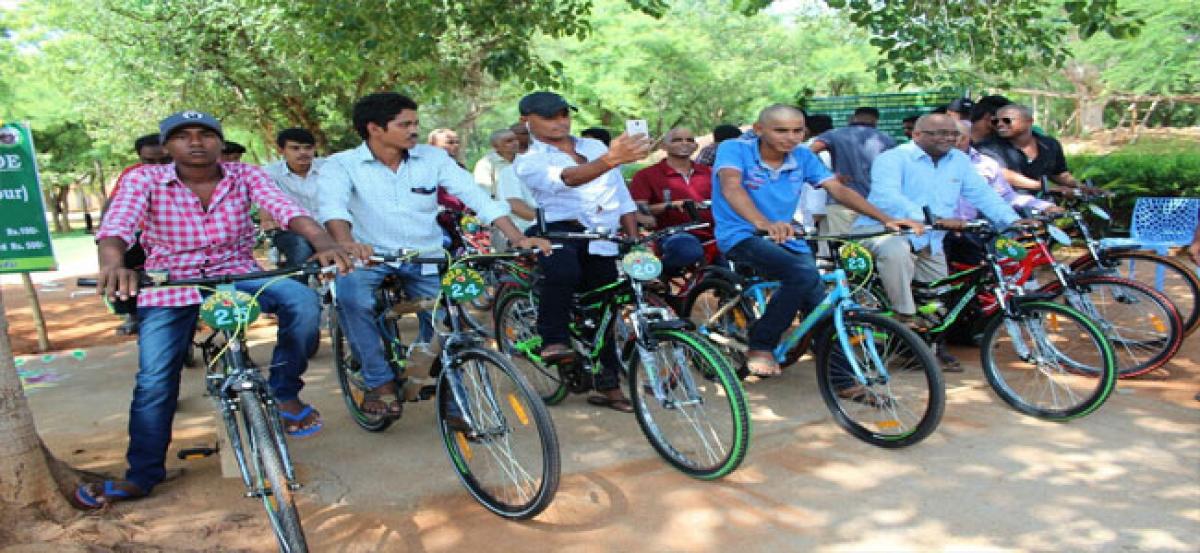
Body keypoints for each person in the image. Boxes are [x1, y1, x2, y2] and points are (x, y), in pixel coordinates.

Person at [78, 110, 353, 509]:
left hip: (237, 272)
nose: (195, 142)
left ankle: (284, 392)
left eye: (205, 134)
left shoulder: (246, 175)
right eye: (183, 136)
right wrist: (112, 264)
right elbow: (117, 228)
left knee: (303, 302)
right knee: (155, 379)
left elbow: (287, 210)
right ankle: (142, 474)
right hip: (171, 282)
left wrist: (323, 242)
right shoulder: (145, 179)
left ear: (220, 143)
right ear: (168, 145)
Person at [319, 92, 547, 419]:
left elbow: (476, 197)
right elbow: (333, 207)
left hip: (425, 254)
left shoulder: (433, 159)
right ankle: (378, 382)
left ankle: (454, 398)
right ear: (375, 128)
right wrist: (345, 244)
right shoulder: (341, 165)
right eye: (405, 124)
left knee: (448, 320)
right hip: (367, 257)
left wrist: (518, 237)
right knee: (354, 300)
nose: (414, 130)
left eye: (416, 123)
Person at [712, 104, 919, 377]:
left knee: (820, 305)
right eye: (781, 130)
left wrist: (885, 219)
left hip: (786, 235)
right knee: (801, 273)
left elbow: (838, 190)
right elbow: (731, 186)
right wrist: (762, 223)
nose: (791, 137)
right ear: (759, 129)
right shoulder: (734, 149)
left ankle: (843, 379)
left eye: (798, 130)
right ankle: (761, 344)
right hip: (741, 234)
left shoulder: (803, 156)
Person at [513, 91, 651, 412]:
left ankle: (608, 386)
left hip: (602, 234)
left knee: (606, 307)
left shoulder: (593, 147)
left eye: (564, 114)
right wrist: (614, 158)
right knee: (564, 273)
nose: (559, 122)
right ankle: (553, 338)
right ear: (526, 121)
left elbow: (621, 194)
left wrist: (633, 240)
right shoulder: (529, 160)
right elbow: (569, 179)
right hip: (560, 231)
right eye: (549, 117)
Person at [856, 114, 1029, 335]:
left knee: (938, 305)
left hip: (931, 240)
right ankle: (903, 317)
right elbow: (887, 196)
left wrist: (1013, 221)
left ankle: (925, 348)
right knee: (895, 251)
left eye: (953, 134)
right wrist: (932, 219)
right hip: (884, 231)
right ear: (916, 135)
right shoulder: (893, 158)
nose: (948, 138)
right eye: (939, 133)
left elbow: (984, 194)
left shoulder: (958, 160)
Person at [945, 120, 1060, 266]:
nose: (952, 140)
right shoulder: (927, 162)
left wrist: (1044, 206)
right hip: (938, 231)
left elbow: (1005, 196)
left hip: (972, 232)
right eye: (946, 136)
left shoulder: (985, 164)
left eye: (957, 136)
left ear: (968, 137)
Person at [104, 134, 174, 335]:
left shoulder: (189, 172)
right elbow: (113, 205)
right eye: (149, 161)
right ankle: (131, 315)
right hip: (139, 233)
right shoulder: (132, 175)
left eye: (165, 160)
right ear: (140, 158)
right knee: (123, 268)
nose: (158, 166)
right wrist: (106, 231)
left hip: (173, 237)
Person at [629, 127, 713, 276]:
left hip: (714, 234)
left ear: (696, 146)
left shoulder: (710, 173)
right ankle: (654, 275)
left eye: (689, 140)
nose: (684, 143)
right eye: (677, 140)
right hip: (672, 235)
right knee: (688, 249)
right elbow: (638, 210)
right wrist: (670, 205)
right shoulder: (646, 175)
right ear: (663, 146)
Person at [809, 107, 897, 234]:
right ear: (876, 120)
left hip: (841, 201)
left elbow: (809, 152)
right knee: (874, 244)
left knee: (845, 248)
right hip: (876, 203)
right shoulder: (886, 140)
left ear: (853, 117)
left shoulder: (834, 135)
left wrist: (826, 174)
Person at [977, 104, 1093, 194]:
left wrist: (1080, 187)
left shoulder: (1050, 144)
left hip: (1044, 206)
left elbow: (1059, 174)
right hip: (1006, 205)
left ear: (1029, 122)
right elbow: (1002, 174)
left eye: (1006, 120)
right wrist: (1046, 187)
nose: (1000, 124)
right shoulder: (987, 147)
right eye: (995, 121)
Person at [263, 128, 325, 269]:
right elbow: (266, 208)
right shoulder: (269, 173)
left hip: (330, 227)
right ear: (281, 150)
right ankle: (297, 288)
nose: (303, 152)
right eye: (295, 148)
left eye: (308, 148)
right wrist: (268, 221)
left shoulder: (329, 168)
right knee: (300, 247)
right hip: (291, 231)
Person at [472, 128, 519, 198]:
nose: (515, 143)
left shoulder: (524, 160)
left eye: (516, 139)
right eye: (509, 141)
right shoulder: (485, 164)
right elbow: (484, 193)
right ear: (496, 146)